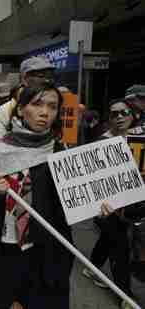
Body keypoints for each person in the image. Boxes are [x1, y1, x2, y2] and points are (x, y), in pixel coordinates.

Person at [0, 81, 73, 309]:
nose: (44, 112)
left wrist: (100, 207)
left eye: (52, 106)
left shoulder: (61, 151)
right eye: (37, 104)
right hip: (9, 249)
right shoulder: (0, 150)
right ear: (20, 109)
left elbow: (71, 205)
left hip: (49, 251)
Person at [83, 99, 139, 309]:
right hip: (108, 207)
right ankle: (125, 296)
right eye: (114, 114)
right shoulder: (102, 142)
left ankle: (92, 266)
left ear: (133, 115)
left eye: (124, 112)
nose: (119, 117)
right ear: (109, 119)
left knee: (108, 240)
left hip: (134, 205)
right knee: (120, 247)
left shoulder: (140, 139)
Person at [0, 57, 55, 150]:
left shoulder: (58, 105)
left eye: (50, 77)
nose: (47, 81)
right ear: (25, 79)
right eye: (41, 76)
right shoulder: (7, 109)